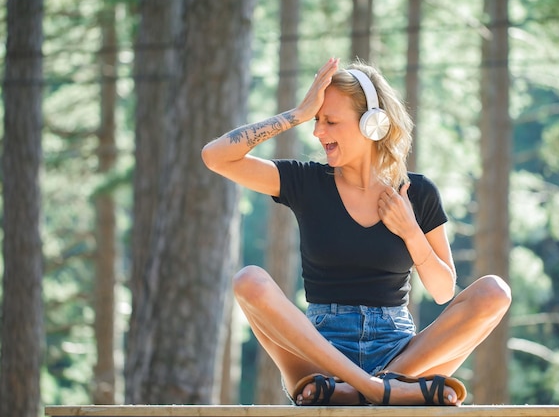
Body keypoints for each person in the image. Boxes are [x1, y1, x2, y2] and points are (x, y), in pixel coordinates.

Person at [201, 57, 511, 406]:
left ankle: (375, 384)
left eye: (330, 121)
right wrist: (297, 114)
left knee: (494, 292)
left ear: (373, 124)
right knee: (249, 281)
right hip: (320, 351)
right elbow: (216, 157)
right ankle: (379, 390)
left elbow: (442, 292)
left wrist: (411, 232)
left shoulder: (418, 193)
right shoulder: (306, 182)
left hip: (402, 354)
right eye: (316, 120)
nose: (318, 132)